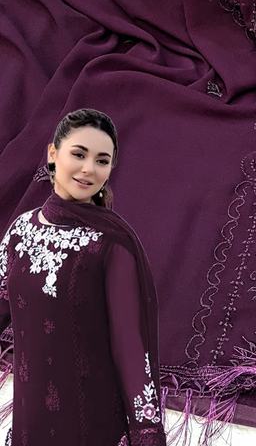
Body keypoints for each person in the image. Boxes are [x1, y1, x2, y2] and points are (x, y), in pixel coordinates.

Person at [0, 109, 166, 446]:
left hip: (91, 424)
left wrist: (146, 432)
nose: (89, 169)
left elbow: (131, 347)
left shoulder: (111, 243)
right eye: (79, 154)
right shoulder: (21, 231)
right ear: (53, 154)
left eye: (102, 161)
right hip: (31, 422)